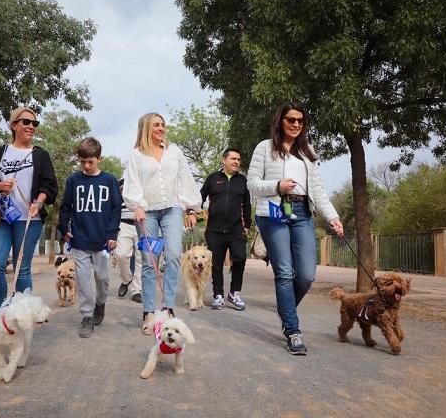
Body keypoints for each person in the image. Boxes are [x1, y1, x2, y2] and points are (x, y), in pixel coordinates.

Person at [247, 102, 344, 355]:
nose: (296, 124)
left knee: (306, 274)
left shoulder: (307, 151)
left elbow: (319, 190)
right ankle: (293, 330)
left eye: (300, 121)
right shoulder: (264, 148)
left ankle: (285, 310)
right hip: (273, 213)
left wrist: (333, 217)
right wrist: (277, 186)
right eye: (291, 120)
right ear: (281, 121)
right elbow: (252, 184)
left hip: (302, 212)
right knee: (285, 273)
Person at [123, 112, 202, 335]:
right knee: (149, 261)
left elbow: (185, 179)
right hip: (146, 211)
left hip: (173, 209)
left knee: (175, 255)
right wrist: (136, 204)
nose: (161, 128)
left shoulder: (174, 151)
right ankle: (148, 311)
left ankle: (167, 308)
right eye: (156, 125)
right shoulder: (136, 154)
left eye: (162, 125)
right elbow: (132, 183)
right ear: (146, 128)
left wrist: (191, 208)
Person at [0, 107, 58, 310]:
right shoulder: (1, 152)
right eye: (26, 122)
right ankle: (2, 313)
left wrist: (38, 202)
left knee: (21, 269)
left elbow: (49, 186)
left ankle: (24, 315)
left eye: (35, 123)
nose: (31, 126)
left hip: (29, 219)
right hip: (2, 217)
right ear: (14, 125)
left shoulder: (40, 155)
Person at [59, 137, 122, 338]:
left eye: (91, 162)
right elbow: (65, 207)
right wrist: (63, 228)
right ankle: (87, 316)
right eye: (82, 162)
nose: (86, 166)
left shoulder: (109, 180)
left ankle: (100, 304)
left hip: (103, 243)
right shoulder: (73, 181)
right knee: (84, 281)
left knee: (102, 279)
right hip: (80, 241)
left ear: (99, 159)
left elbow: (115, 209)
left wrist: (112, 233)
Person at [200, 148, 252, 311]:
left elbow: (247, 205)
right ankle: (218, 295)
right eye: (233, 158)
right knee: (216, 263)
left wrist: (247, 225)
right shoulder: (213, 179)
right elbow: (199, 197)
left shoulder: (242, 181)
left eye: (238, 159)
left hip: (236, 229)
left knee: (240, 258)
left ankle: (234, 293)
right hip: (214, 229)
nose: (236, 162)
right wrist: (194, 212)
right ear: (224, 160)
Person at [115, 177, 143, 303]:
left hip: (142, 224)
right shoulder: (121, 182)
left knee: (140, 259)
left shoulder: (145, 179)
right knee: (121, 255)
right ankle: (126, 279)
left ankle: (136, 290)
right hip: (124, 224)